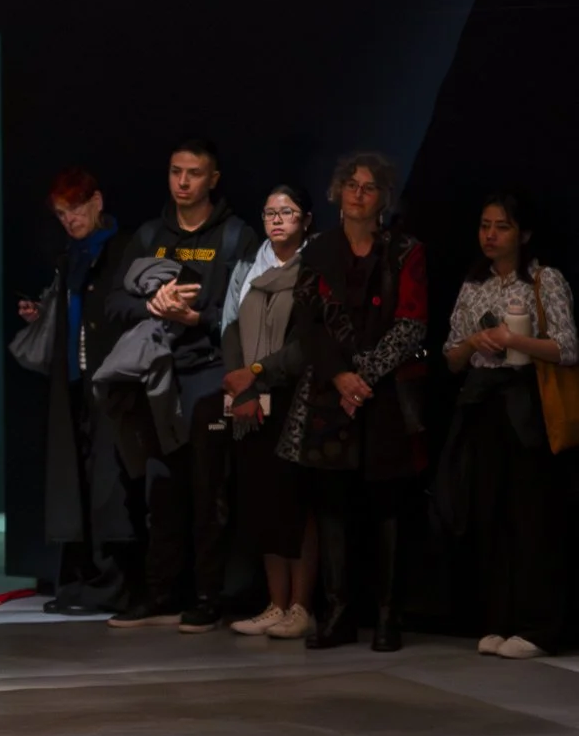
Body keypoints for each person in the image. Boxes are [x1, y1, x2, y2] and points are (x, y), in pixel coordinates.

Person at [280, 152, 428, 653]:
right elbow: (308, 325)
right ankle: (338, 612)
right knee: (332, 506)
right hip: (330, 394)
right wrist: (340, 377)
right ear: (338, 192)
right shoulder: (319, 250)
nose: (359, 194)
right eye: (351, 185)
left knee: (388, 506)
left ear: (384, 197)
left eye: (369, 187)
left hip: (385, 396)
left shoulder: (405, 251)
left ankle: (388, 616)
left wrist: (362, 377)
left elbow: (411, 324)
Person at [108, 141, 255, 631]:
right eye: (176, 172)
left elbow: (248, 317)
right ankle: (160, 593)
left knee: (209, 488)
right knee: (161, 489)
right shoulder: (150, 235)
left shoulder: (235, 236)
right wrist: (152, 307)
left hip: (209, 371)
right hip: (157, 376)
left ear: (213, 179)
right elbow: (113, 305)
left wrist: (197, 317)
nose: (183, 182)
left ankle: (209, 595)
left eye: (194, 173)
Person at [439, 191, 575, 660]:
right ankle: (498, 619)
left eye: (502, 226)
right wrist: (474, 342)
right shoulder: (474, 284)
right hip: (482, 403)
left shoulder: (544, 279)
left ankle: (539, 626)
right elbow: (452, 355)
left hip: (527, 404)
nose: (491, 235)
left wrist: (515, 339)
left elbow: (567, 347)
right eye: (485, 225)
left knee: (532, 518)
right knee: (489, 514)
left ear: (524, 233)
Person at [15, 167, 134, 613]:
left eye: (76, 209)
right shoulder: (73, 255)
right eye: (63, 213)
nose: (70, 219)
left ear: (97, 202)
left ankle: (112, 582)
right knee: (78, 481)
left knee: (109, 484)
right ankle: (81, 579)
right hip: (75, 381)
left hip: (111, 381)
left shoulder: (120, 248)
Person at [220, 184, 318, 639]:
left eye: (288, 212)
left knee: (297, 506)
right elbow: (229, 329)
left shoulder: (314, 267)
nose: (277, 220)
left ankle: (301, 606)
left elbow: (307, 343)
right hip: (250, 399)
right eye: (270, 212)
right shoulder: (248, 266)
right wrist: (241, 389)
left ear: (307, 219)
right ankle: (274, 604)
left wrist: (258, 373)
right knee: (262, 503)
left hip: (296, 399)